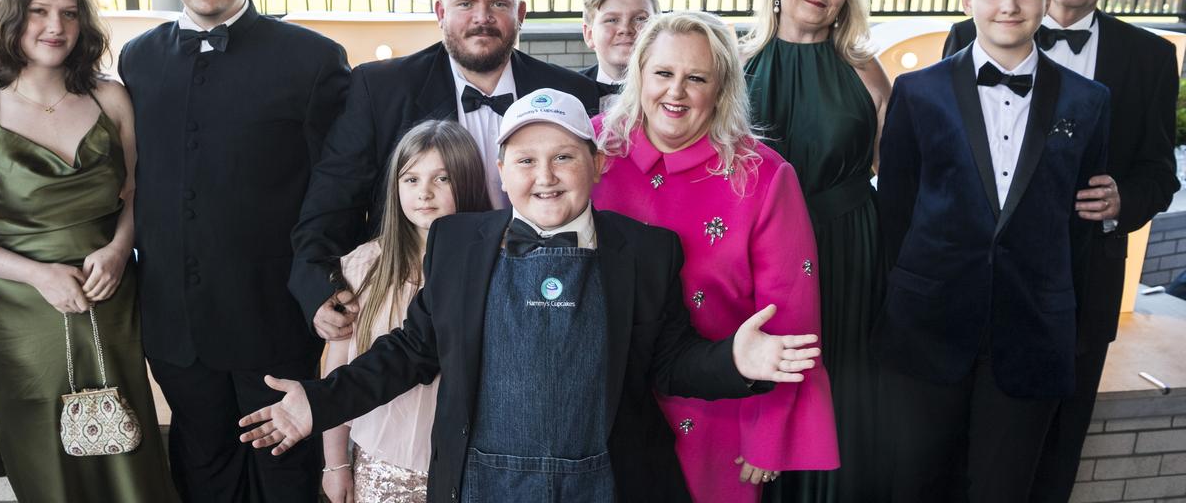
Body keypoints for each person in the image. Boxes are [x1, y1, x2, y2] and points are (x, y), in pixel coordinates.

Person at [240, 88, 826, 503]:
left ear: (596, 165)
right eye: (526, 160)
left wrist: (735, 362)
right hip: (483, 482)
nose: (544, 176)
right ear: (500, 169)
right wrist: (316, 403)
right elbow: (408, 353)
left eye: (563, 157)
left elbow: (671, 364)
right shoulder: (459, 243)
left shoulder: (646, 253)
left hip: (605, 482)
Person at [0, 0, 178, 502]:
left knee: (126, 444)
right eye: (38, 11)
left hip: (110, 301)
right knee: (50, 461)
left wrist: (117, 249)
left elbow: (138, 193)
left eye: (69, 12)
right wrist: (37, 275)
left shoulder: (110, 97)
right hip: (22, 314)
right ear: (8, 17)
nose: (55, 27)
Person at [940, 0, 1180, 503]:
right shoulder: (971, 33)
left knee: (1055, 450)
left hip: (1080, 284)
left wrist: (1127, 198)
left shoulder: (1148, 58)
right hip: (978, 278)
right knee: (958, 443)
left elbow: (1158, 171)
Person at [117, 0, 351, 502]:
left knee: (286, 477)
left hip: (274, 322)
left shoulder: (312, 60)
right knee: (202, 472)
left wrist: (327, 283)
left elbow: (341, 187)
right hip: (177, 329)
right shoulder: (138, 59)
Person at [875, 0, 1110, 502]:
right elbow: (895, 215)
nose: (1009, 6)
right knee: (915, 483)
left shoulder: (1088, 100)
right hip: (927, 327)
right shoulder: (917, 92)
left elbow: (1080, 227)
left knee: (1004, 488)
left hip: (1033, 330)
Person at [593, 11, 839, 502]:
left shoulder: (764, 177)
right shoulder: (591, 149)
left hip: (715, 415)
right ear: (639, 73)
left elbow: (790, 317)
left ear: (722, 87)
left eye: (696, 78)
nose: (675, 92)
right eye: (663, 73)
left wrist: (768, 435)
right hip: (598, 409)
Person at [288, 0, 600, 344]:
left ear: (520, 13)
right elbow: (334, 198)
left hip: (544, 295)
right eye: (466, 4)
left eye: (498, 5)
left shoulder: (571, 92)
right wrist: (318, 286)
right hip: (418, 304)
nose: (481, 17)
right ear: (440, 13)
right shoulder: (380, 89)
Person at [737, 0, 890, 502]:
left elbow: (887, 163)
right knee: (763, 362)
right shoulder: (735, 61)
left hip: (845, 242)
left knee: (839, 370)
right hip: (754, 244)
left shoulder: (864, 71)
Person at [321, 120, 491, 503]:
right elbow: (338, 372)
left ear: (466, 182)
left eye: (442, 179)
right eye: (410, 179)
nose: (424, 194)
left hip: (471, 466)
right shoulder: (363, 267)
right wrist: (335, 464)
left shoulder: (494, 264)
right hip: (382, 462)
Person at [579, 0, 660, 108]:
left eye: (640, 19)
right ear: (589, 35)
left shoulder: (671, 92)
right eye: (612, 20)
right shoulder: (568, 90)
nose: (625, 29)